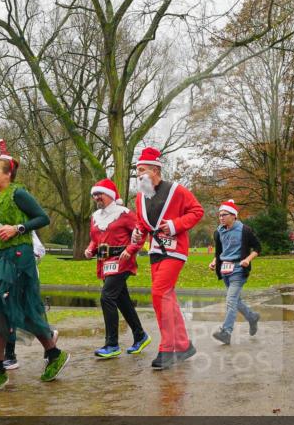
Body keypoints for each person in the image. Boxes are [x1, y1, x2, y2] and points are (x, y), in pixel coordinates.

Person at [0, 140, 68, 389]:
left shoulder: (18, 193)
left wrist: (18, 228)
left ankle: (50, 354)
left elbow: (42, 218)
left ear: (8, 174)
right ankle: (0, 365)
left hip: (20, 258)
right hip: (2, 260)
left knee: (20, 309)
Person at [126, 147, 204, 370]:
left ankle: (168, 348)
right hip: (155, 251)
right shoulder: (140, 197)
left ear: (155, 170)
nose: (139, 175)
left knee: (159, 293)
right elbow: (142, 223)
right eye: (137, 171)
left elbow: (197, 211)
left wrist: (175, 225)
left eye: (142, 170)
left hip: (175, 249)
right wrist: (137, 234)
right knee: (167, 297)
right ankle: (184, 345)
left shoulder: (176, 190)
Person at [83, 178, 151, 359]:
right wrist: (90, 249)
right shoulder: (95, 217)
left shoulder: (124, 213)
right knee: (122, 301)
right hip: (105, 263)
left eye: (100, 194)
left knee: (106, 297)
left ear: (111, 195)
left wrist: (130, 250)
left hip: (122, 261)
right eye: (94, 195)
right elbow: (95, 239)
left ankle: (112, 344)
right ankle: (140, 335)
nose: (97, 198)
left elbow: (140, 233)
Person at [209, 200, 261, 344]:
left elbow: (258, 248)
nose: (221, 218)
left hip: (238, 270)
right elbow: (220, 252)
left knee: (231, 301)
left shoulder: (245, 230)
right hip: (225, 270)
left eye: (224, 215)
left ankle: (226, 332)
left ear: (233, 215)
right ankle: (252, 317)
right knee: (235, 301)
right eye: (219, 215)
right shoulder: (218, 232)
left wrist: (248, 259)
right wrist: (214, 261)